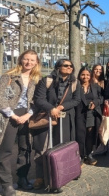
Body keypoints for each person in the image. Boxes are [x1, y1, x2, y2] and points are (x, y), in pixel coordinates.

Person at [0, 50, 41, 195]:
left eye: (32, 60)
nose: (29, 63)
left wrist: (28, 114)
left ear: (36, 63)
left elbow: (37, 100)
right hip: (9, 115)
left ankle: (22, 178)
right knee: (6, 149)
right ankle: (6, 184)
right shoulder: (9, 76)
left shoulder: (36, 79)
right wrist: (13, 115)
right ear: (21, 59)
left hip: (27, 116)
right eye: (26, 59)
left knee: (25, 148)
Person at [32, 59, 81, 189]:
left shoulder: (74, 82)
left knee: (62, 145)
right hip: (46, 117)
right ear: (58, 67)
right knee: (42, 146)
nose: (69, 68)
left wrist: (61, 107)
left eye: (71, 66)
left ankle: (61, 174)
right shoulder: (47, 80)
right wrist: (51, 108)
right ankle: (40, 176)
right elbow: (39, 98)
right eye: (66, 66)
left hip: (64, 117)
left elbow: (76, 100)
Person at [75, 67, 103, 166]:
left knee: (90, 134)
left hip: (92, 113)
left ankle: (89, 154)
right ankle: (81, 156)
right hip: (79, 114)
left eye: (87, 75)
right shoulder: (75, 86)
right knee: (80, 134)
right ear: (79, 75)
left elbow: (101, 98)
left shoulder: (95, 86)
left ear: (90, 76)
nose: (85, 77)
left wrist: (95, 103)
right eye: (83, 74)